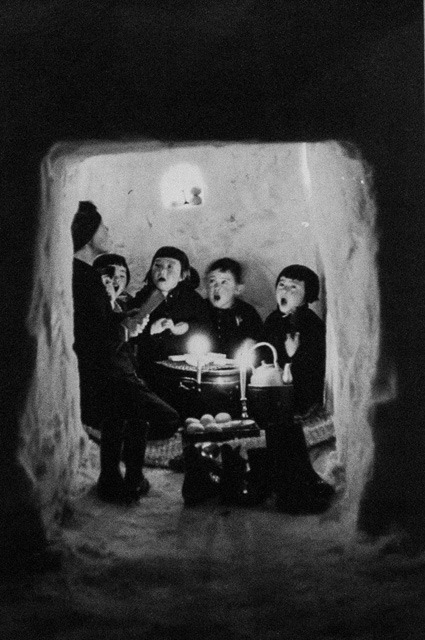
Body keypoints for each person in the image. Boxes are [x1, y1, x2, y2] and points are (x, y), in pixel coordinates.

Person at [72, 202, 180, 504]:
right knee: (136, 412)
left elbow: (98, 323)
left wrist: (123, 318)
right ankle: (123, 477)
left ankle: (124, 476)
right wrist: (126, 330)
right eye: (102, 226)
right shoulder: (86, 277)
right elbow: (92, 334)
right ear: (89, 233)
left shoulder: (80, 274)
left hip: (112, 366)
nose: (107, 231)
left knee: (123, 415)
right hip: (108, 367)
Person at [130, 246, 211, 380]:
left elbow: (206, 328)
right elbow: (129, 335)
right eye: (157, 265)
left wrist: (185, 328)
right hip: (150, 369)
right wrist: (151, 329)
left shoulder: (193, 300)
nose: (162, 271)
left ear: (182, 275)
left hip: (186, 371)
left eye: (170, 267)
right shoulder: (142, 298)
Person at [261, 264, 326, 416]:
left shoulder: (312, 324)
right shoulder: (272, 320)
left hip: (298, 400)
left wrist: (294, 355)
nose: (284, 290)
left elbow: (314, 368)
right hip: (270, 393)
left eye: (293, 287)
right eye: (282, 284)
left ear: (307, 294)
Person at [205, 257, 263, 359]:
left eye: (224, 282)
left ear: (238, 289)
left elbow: (255, 340)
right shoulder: (200, 308)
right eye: (212, 281)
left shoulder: (247, 313)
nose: (216, 287)